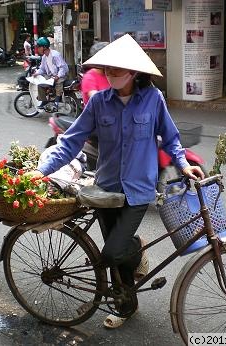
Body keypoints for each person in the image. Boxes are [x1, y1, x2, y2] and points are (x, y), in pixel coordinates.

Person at [29, 34, 205, 329]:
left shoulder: (152, 99)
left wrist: (184, 165)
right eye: (108, 70)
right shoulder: (99, 102)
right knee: (114, 256)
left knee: (113, 251)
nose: (111, 75)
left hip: (138, 190)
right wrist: (42, 169)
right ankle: (126, 306)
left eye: (118, 70)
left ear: (134, 73)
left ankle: (137, 248)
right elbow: (70, 142)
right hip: (106, 188)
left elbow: (171, 138)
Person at [32, 37, 68, 109]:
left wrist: (57, 76)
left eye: (39, 47)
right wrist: (37, 73)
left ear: (44, 47)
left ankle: (57, 102)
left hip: (61, 74)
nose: (37, 49)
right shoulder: (44, 57)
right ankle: (44, 101)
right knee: (40, 84)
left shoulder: (55, 55)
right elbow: (42, 69)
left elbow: (62, 68)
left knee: (58, 83)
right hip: (51, 76)